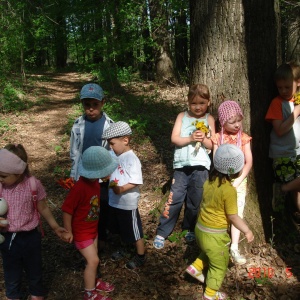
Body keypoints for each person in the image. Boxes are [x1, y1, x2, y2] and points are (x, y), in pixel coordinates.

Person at [185, 144, 254, 300]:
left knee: (208, 252)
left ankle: (195, 268)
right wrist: (247, 230)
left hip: (200, 230)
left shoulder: (209, 182)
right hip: (215, 235)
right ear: (234, 170)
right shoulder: (229, 190)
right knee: (219, 265)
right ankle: (210, 294)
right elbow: (233, 217)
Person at [0, 144, 67, 300]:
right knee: (11, 269)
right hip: (8, 237)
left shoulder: (32, 185)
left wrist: (55, 227)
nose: (0, 179)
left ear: (18, 172)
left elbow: (42, 207)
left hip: (30, 236)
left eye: (3, 176)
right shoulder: (1, 187)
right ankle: (13, 295)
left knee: (34, 267)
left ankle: (37, 293)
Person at [153, 84, 215, 249]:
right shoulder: (182, 116)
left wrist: (203, 139)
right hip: (181, 166)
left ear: (208, 102)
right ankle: (162, 231)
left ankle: (189, 228)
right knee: (174, 199)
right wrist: (190, 138)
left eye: (202, 103)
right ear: (188, 102)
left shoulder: (209, 119)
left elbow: (213, 144)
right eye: (194, 103)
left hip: (201, 167)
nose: (198, 107)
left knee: (195, 201)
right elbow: (174, 138)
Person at [61, 146, 118, 300]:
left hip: (92, 229)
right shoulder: (79, 188)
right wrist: (68, 230)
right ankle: (89, 293)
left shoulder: (95, 184)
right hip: (81, 232)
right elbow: (67, 210)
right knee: (93, 260)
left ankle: (94, 281)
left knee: (94, 257)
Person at [70, 83, 114, 251]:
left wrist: (109, 173)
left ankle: (101, 235)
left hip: (102, 175)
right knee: (84, 207)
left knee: (101, 205)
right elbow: (74, 151)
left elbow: (112, 151)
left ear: (102, 103)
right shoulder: (78, 124)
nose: (91, 109)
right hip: (83, 174)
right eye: (87, 105)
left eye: (95, 105)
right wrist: (74, 175)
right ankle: (84, 238)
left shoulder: (109, 125)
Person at [211, 100, 253, 265]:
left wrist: (239, 181)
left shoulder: (243, 138)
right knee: (220, 212)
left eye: (239, 120)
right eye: (232, 121)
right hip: (221, 180)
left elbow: (249, 162)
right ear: (222, 122)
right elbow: (215, 159)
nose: (237, 125)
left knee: (236, 212)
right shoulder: (218, 138)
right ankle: (218, 243)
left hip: (239, 181)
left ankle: (234, 246)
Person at [101, 121, 144, 270]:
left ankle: (140, 255)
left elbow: (136, 181)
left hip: (127, 202)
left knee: (133, 229)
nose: (111, 147)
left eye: (112, 144)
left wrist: (121, 189)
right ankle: (124, 248)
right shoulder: (114, 154)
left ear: (125, 140)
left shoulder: (132, 159)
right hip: (114, 201)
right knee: (119, 228)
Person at [265, 62, 300, 223]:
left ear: (298, 82)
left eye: (287, 87)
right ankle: (281, 191)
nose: (283, 91)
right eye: (280, 88)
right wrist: (297, 111)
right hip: (283, 153)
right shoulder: (277, 103)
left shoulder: (297, 100)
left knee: (297, 189)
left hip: (297, 152)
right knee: (290, 185)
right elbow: (279, 130)